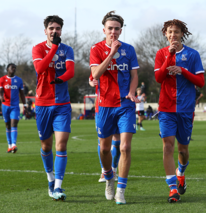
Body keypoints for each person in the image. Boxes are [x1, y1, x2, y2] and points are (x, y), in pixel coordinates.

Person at [90, 11, 139, 204]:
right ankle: (109, 177)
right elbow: (95, 75)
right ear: (104, 30)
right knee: (104, 149)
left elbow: (134, 75)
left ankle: (121, 190)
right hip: (104, 106)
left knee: (125, 147)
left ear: (121, 30)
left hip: (125, 105)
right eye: (110, 28)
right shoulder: (95, 49)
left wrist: (132, 92)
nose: (113, 32)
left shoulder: (129, 50)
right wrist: (111, 53)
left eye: (117, 29)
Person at [154, 19, 205, 203]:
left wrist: (183, 70)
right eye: (169, 32)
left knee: (183, 150)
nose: (173, 35)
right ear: (165, 34)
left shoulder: (193, 55)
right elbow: (159, 78)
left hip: (185, 108)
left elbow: (200, 82)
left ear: (182, 33)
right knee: (168, 146)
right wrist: (169, 56)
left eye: (176, 31)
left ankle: (181, 172)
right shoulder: (161, 54)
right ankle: (173, 189)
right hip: (166, 108)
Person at [32, 15, 75, 201]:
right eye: (51, 28)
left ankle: (58, 186)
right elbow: (40, 68)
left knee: (61, 144)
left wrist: (61, 79)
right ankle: (50, 179)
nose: (54, 31)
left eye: (57, 28)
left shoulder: (68, 50)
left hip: (62, 104)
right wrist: (54, 47)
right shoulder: (38, 48)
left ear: (61, 30)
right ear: (45, 30)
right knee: (46, 145)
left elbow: (70, 71)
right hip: (42, 103)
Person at [89, 74, 120, 183]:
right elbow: (91, 77)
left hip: (119, 105)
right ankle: (104, 171)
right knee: (102, 141)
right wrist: (91, 82)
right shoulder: (99, 63)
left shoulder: (122, 61)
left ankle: (114, 170)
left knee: (118, 139)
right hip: (102, 107)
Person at [0, 63, 27, 153]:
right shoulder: (2, 79)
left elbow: (22, 94)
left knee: (14, 124)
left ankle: (14, 144)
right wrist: (1, 97)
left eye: (15, 68)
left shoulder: (19, 80)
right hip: (5, 106)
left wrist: (25, 105)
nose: (14, 69)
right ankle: (9, 145)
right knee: (7, 125)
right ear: (7, 69)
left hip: (15, 106)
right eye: (12, 68)